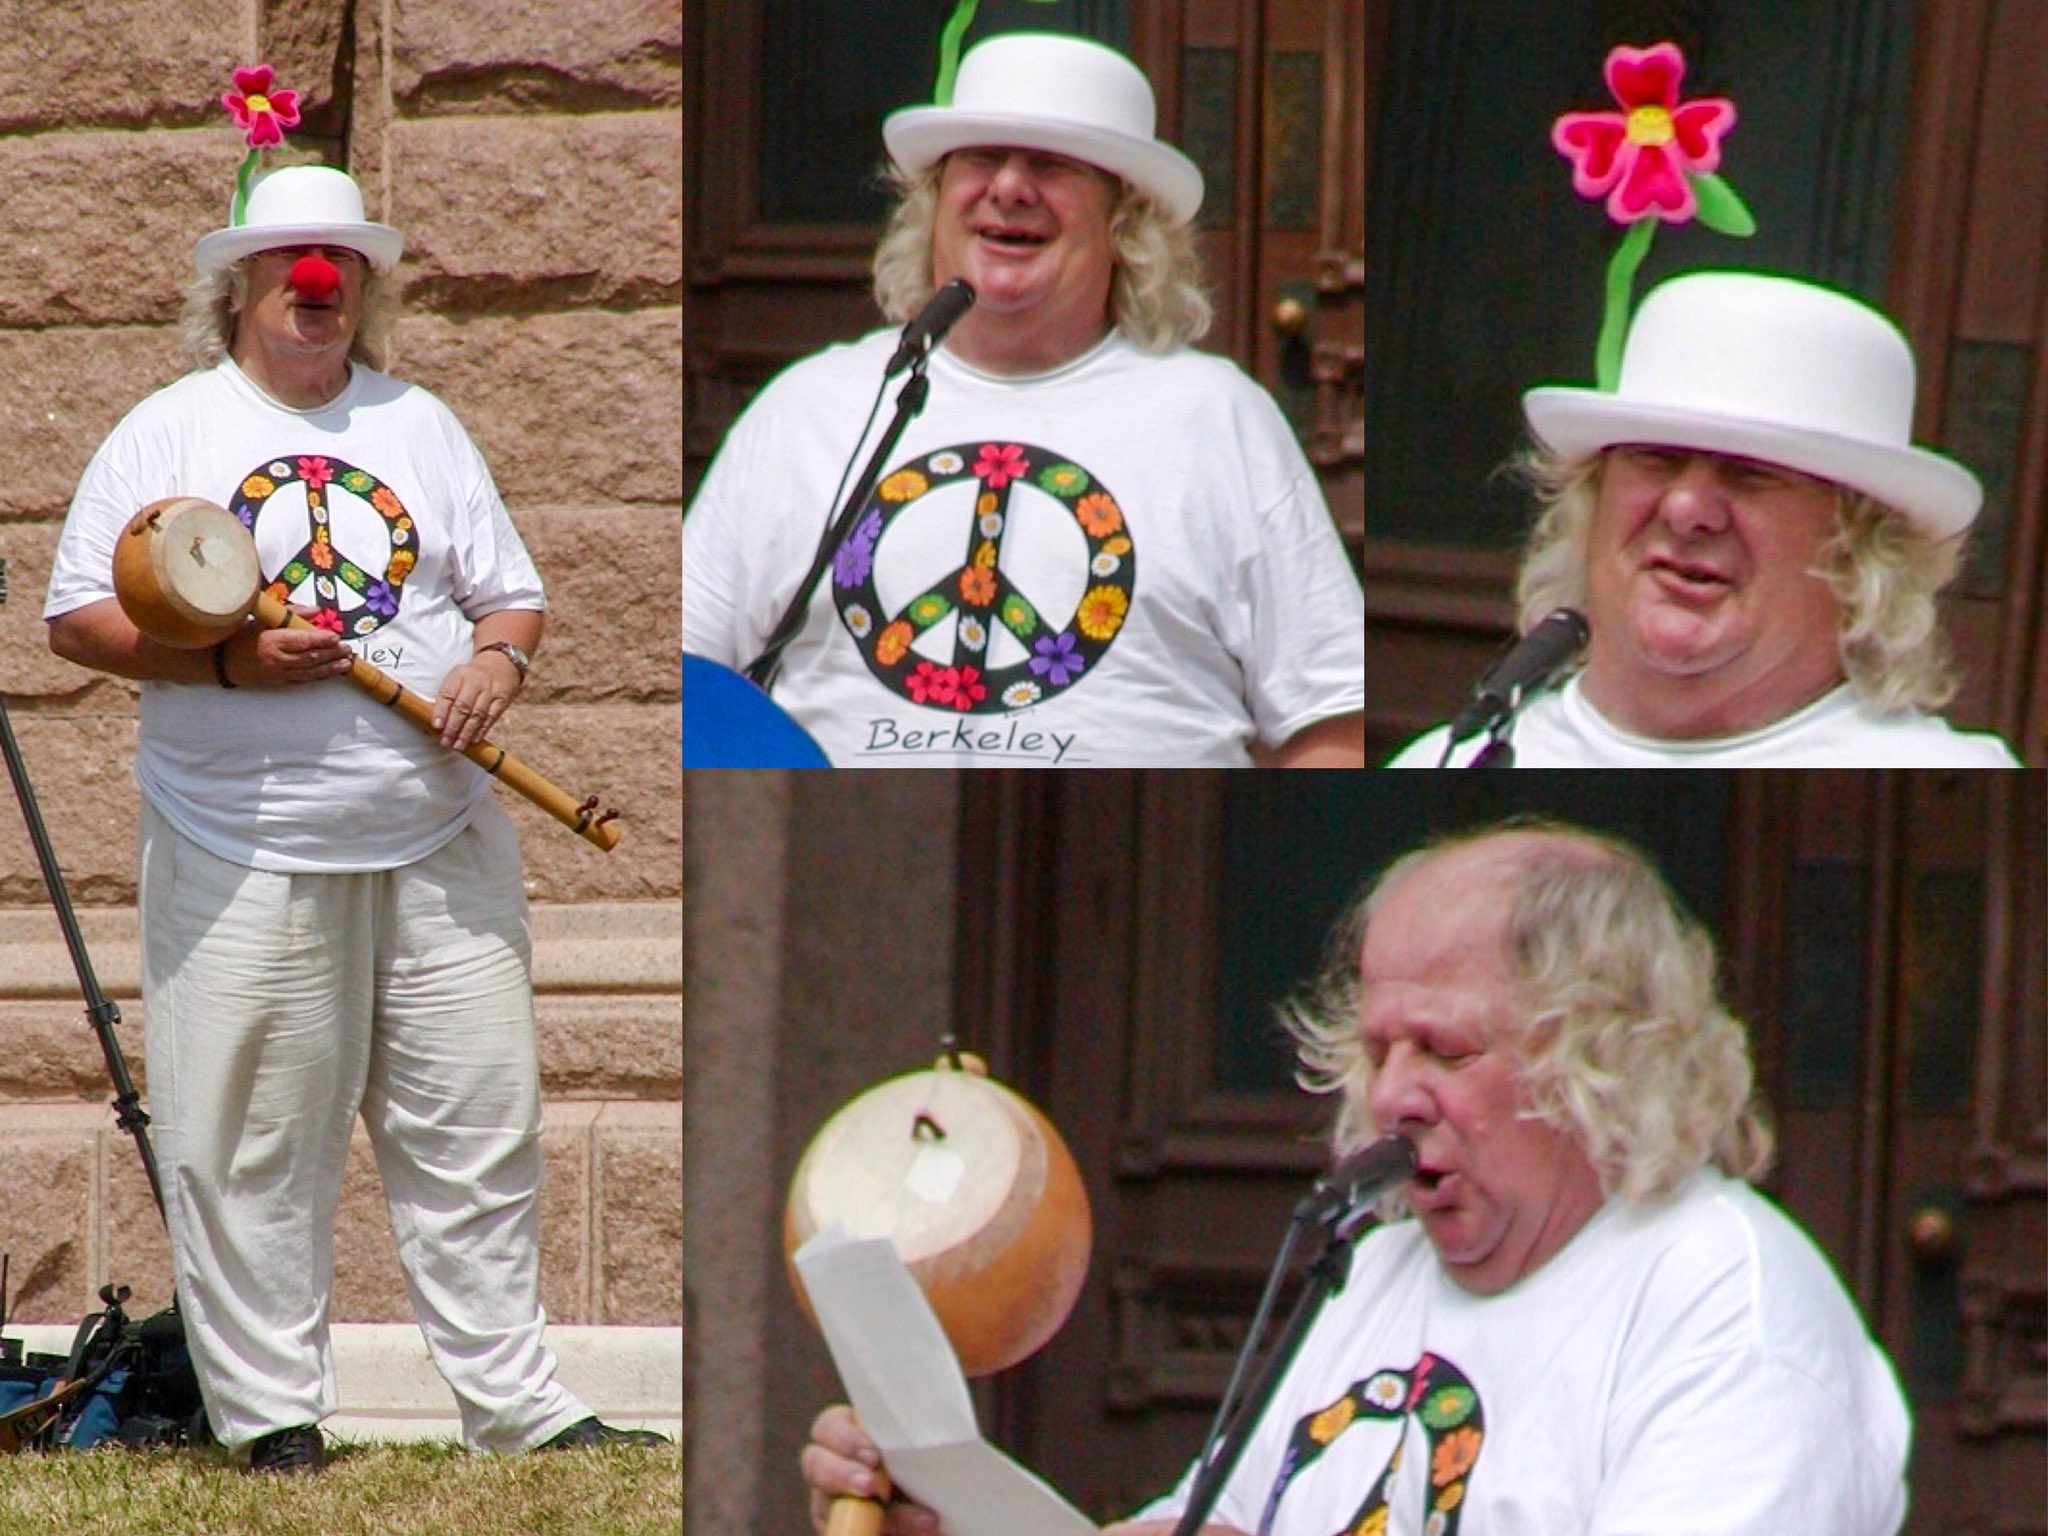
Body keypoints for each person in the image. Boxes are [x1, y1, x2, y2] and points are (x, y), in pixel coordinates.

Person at [43, 157, 664, 1470]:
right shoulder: (167, 430)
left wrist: (497, 664)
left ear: (366, 290)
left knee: (478, 1128)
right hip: (241, 843)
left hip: (438, 835)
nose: (316, 285)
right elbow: (77, 620)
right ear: (239, 288)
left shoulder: (421, 425)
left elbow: (510, 597)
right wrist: (225, 663)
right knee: (253, 1139)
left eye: (340, 266)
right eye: (289, 264)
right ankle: (273, 1416)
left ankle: (521, 1408)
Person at [801, 819, 1912, 1533]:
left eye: (1446, 1049)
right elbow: (1218, 1526)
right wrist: (945, 1517)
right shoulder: (1377, 1268)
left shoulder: (1728, 1301)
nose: (1391, 1098)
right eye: (1378, 1051)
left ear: (1600, 1057)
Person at [684, 32, 1366, 767]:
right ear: (936, 202)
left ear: (1124, 223)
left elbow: (1330, 726)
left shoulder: (1221, 418)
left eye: (1052, 164)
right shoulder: (806, 409)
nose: (1008, 187)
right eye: (980, 158)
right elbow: (687, 687)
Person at [1389, 270, 2022, 767]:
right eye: (1656, 459)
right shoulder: (1452, 762)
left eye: (1750, 472)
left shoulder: (1945, 769)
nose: (1688, 509)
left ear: (1864, 547)